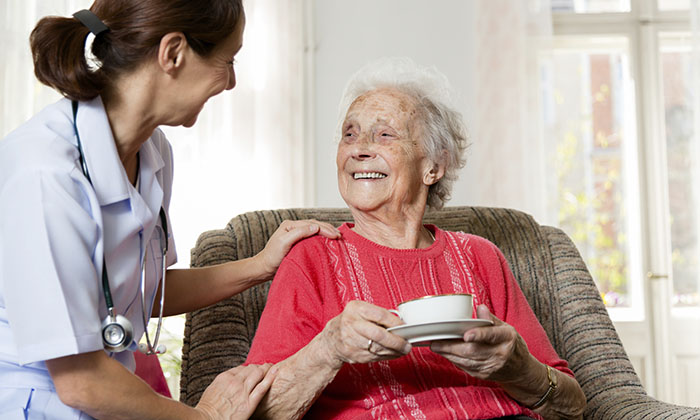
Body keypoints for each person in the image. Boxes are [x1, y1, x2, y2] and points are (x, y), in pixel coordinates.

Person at [0, 1, 340, 418]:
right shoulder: (45, 172)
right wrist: (206, 416)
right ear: (173, 53)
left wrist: (262, 264)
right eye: (227, 60)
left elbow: (147, 291)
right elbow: (80, 381)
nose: (231, 82)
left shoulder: (153, 152)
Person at [245, 58, 587, 420]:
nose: (359, 148)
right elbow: (257, 411)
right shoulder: (312, 258)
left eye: (384, 134)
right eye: (350, 133)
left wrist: (518, 368)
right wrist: (328, 349)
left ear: (434, 167)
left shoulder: (480, 256)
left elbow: (572, 407)